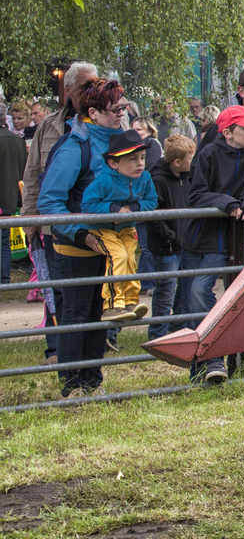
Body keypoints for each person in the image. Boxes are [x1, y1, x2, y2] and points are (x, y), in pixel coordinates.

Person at [36, 77, 126, 397]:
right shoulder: (75, 145)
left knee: (97, 311)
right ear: (94, 112)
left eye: (123, 108)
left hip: (107, 242)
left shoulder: (117, 141)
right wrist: (82, 233)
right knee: (76, 311)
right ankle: (71, 384)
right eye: (115, 109)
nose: (121, 114)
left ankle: (92, 381)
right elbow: (49, 201)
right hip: (75, 244)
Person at [21, 61, 98, 365]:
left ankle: (88, 356)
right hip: (54, 225)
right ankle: (57, 350)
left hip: (91, 224)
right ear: (68, 90)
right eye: (85, 87)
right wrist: (31, 218)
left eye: (96, 84)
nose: (92, 92)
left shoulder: (104, 121)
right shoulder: (49, 125)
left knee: (89, 297)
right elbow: (32, 174)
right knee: (58, 293)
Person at [181, 105, 244, 384]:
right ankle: (207, 363)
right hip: (202, 237)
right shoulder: (208, 154)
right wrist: (227, 204)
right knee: (196, 293)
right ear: (228, 132)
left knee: (215, 293)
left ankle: (219, 361)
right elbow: (196, 193)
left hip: (231, 239)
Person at [83, 129, 157, 321]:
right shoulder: (103, 181)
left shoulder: (145, 178)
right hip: (103, 228)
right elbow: (87, 205)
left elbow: (152, 201)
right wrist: (114, 209)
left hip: (126, 227)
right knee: (118, 256)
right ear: (113, 163)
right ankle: (113, 304)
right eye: (133, 159)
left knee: (131, 259)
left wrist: (133, 207)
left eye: (142, 157)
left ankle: (130, 301)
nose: (140, 163)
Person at [145, 135, 194, 341]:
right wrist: (170, 236)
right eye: (190, 158)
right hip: (166, 246)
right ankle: (158, 333)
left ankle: (178, 327)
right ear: (177, 162)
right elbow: (154, 213)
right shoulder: (157, 180)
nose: (192, 162)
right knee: (166, 289)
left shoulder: (188, 176)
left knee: (184, 288)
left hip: (185, 242)